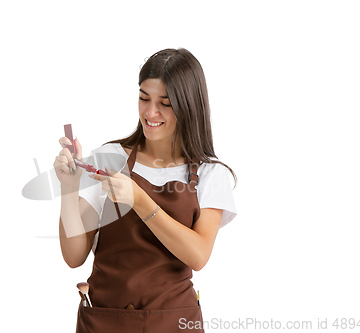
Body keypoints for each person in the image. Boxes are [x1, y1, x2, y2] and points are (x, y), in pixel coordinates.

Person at [54, 48, 237, 333]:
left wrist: (139, 199)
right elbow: (74, 256)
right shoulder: (109, 157)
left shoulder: (210, 174)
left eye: (165, 103)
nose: (150, 113)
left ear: (189, 106)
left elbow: (198, 255)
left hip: (174, 323)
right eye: (144, 98)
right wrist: (69, 188)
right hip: (104, 322)